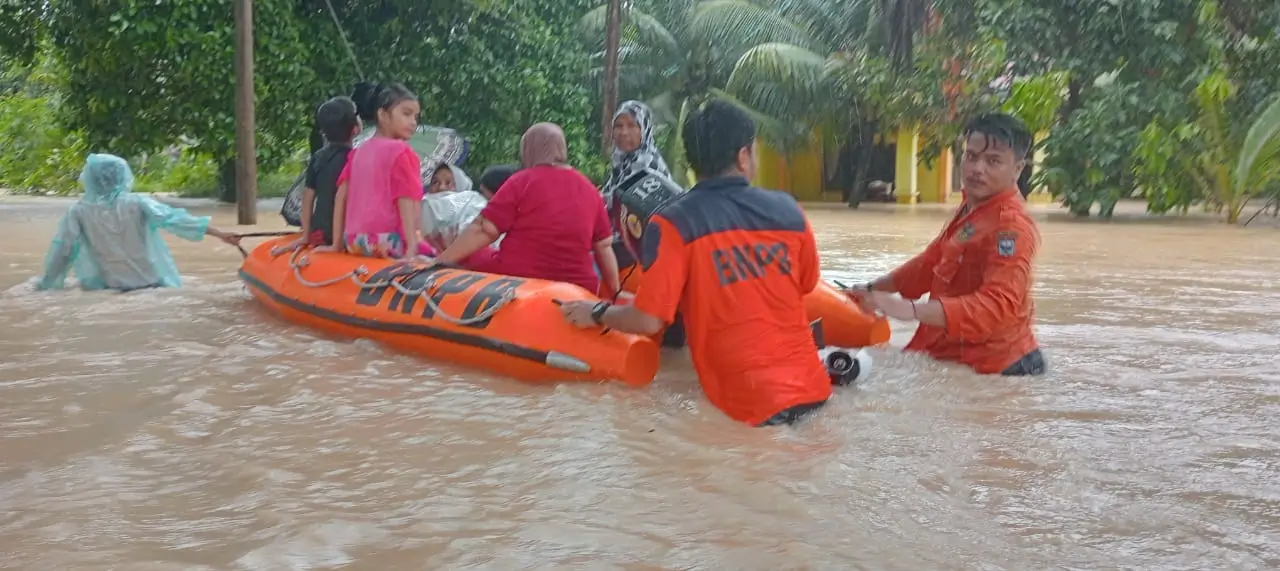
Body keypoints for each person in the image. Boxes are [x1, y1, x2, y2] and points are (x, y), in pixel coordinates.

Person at [559, 99, 831, 427]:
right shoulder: (789, 210)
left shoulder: (672, 224)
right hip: (816, 393)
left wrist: (596, 312)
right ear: (743, 156)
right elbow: (805, 283)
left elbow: (648, 321)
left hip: (746, 408)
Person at [849, 112, 1046, 376]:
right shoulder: (972, 206)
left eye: (993, 161)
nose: (977, 169)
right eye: (971, 156)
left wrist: (910, 310)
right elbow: (930, 262)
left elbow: (997, 306)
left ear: (1018, 169)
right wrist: (871, 288)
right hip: (950, 353)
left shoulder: (1010, 226)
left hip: (997, 368)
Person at [432, 123, 620, 296]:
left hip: (519, 279)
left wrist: (440, 261)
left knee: (473, 254)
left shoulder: (522, 181)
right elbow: (603, 247)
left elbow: (485, 229)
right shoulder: (589, 189)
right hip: (579, 286)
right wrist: (615, 293)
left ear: (529, 150)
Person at [36, 154, 241, 292]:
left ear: (90, 179)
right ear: (123, 176)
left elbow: (63, 251)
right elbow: (177, 220)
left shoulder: (79, 211)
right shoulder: (138, 203)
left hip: (110, 288)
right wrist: (221, 234)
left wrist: (46, 286)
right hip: (151, 284)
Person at [603, 100, 688, 349]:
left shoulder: (646, 163)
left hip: (651, 245)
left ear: (645, 129)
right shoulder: (621, 163)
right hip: (636, 240)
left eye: (632, 126)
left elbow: (616, 205)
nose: (623, 132)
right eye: (618, 126)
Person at [321, 83, 431, 260]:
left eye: (415, 116)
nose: (413, 122)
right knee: (435, 256)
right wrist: (411, 245)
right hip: (388, 241)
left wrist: (336, 244)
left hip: (354, 241)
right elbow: (406, 198)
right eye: (406, 114)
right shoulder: (401, 151)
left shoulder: (358, 151)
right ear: (383, 115)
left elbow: (341, 196)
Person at [280, 96, 360, 251]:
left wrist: (305, 236)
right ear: (355, 129)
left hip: (320, 234)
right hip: (345, 235)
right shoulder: (357, 159)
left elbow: (307, 197)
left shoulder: (318, 157)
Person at [421, 161, 486, 252]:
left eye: (448, 183)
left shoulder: (473, 205)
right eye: (435, 182)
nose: (441, 188)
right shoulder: (421, 213)